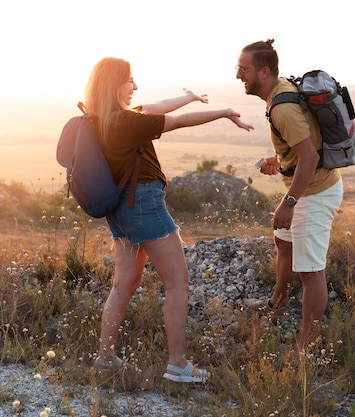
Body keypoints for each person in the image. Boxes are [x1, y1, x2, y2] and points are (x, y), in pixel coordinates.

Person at [86, 57, 253, 383]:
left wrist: (191, 96)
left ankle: (105, 357)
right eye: (130, 80)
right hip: (144, 205)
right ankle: (178, 364)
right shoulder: (127, 121)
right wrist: (222, 112)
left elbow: (159, 106)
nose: (135, 86)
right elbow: (176, 121)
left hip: (121, 210)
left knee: (124, 283)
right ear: (115, 83)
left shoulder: (105, 119)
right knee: (178, 282)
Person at [236, 40, 343, 350]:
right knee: (284, 243)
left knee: (311, 272)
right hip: (308, 188)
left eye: (243, 70)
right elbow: (302, 145)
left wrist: (289, 202)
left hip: (315, 193)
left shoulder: (281, 106)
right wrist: (280, 160)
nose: (239, 75)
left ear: (264, 71)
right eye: (237, 69)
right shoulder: (280, 93)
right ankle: (278, 304)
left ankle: (307, 348)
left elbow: (309, 158)